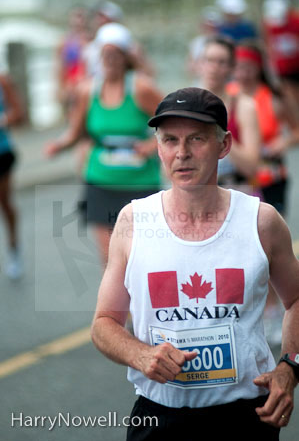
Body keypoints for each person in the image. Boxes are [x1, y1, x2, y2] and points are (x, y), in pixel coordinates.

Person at [91, 87, 299, 440]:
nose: (182, 153)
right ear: (158, 148)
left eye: (197, 139)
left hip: (245, 416)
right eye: (170, 140)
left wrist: (290, 366)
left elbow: (296, 300)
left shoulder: (261, 221)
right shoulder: (133, 221)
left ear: (224, 145)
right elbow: (103, 323)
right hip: (158, 416)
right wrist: (140, 354)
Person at [45, 23, 163, 264]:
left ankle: (140, 303)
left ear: (125, 56)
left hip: (139, 183)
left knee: (140, 257)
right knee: (110, 259)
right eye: (104, 54)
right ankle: (114, 303)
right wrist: (58, 145)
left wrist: (152, 146)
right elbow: (77, 131)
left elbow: (170, 124)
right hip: (101, 180)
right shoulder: (87, 90)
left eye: (115, 53)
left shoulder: (141, 87)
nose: (109, 59)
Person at [228, 42, 299, 346]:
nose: (242, 72)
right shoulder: (229, 96)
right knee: (239, 249)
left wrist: (279, 146)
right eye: (238, 66)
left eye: (248, 66)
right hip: (241, 180)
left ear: (258, 67)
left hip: (272, 179)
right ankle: (249, 310)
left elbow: (296, 130)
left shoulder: (274, 96)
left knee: (267, 250)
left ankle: (273, 312)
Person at [195, 36, 261, 189]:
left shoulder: (244, 106)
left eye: (221, 62)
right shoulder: (184, 104)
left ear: (232, 68)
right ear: (199, 64)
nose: (214, 68)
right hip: (198, 191)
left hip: (235, 189)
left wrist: (217, 130)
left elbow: (251, 167)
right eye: (209, 60)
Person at [0, 73, 24, 279]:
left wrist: (3, 120)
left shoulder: (3, 80)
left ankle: (14, 249)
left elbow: (18, 112)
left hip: (2, 152)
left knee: (4, 202)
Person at [262, 0, 299, 120]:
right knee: (289, 94)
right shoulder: (269, 25)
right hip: (284, 68)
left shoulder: (296, 21)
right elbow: (269, 45)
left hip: (296, 64)